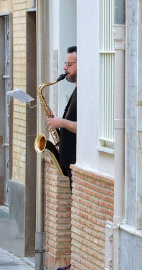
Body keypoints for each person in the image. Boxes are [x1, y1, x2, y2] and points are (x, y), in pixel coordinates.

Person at [46, 46, 77, 191]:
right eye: (65, 64)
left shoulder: (84, 92)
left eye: (69, 65)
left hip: (75, 161)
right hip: (69, 160)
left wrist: (60, 122)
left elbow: (83, 127)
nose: (65, 68)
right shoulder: (76, 90)